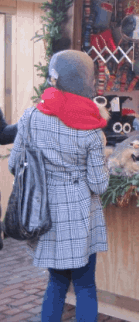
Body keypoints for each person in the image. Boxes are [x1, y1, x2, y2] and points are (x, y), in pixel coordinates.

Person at [9, 50, 109, 322]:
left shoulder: (30, 117)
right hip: (81, 218)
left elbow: (14, 164)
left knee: (56, 284)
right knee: (86, 286)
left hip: (46, 215)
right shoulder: (92, 129)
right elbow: (98, 185)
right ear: (87, 82)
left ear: (56, 79)